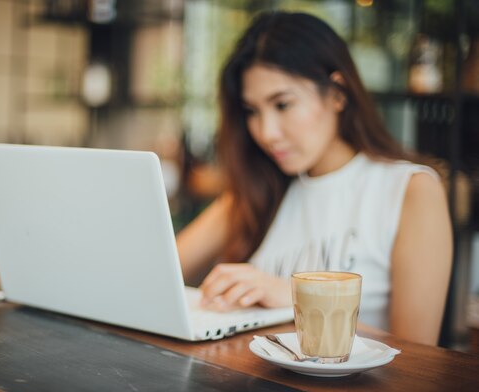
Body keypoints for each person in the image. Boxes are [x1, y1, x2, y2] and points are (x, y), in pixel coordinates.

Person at [175, 11, 453, 346]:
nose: (267, 132)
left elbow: (418, 357)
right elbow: (155, 272)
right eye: (252, 111)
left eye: (282, 104)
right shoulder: (258, 190)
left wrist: (294, 299)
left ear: (337, 93)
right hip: (251, 386)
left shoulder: (410, 190)